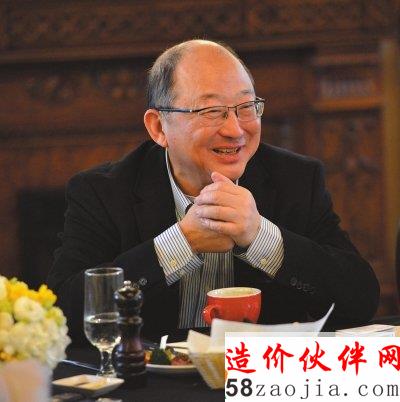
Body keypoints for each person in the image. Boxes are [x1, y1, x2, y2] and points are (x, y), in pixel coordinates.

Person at [47, 39, 379, 343]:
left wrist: (260, 237)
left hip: (260, 374)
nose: (235, 130)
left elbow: (359, 300)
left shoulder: (295, 179)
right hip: (151, 379)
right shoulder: (102, 191)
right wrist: (181, 243)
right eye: (211, 112)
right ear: (159, 127)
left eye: (246, 107)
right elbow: (64, 316)